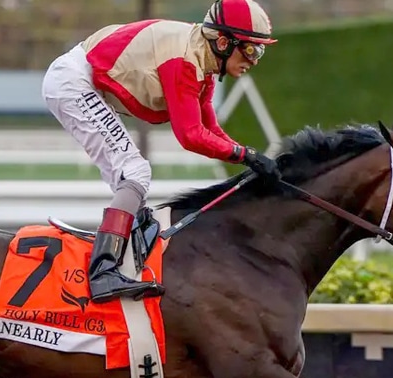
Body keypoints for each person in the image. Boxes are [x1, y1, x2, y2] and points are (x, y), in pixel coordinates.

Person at [42, 0, 282, 304]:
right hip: (73, 83)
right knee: (136, 172)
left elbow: (211, 130)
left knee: (131, 181)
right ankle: (103, 271)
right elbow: (191, 136)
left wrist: (250, 158)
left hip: (80, 79)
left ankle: (123, 257)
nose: (255, 60)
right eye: (251, 49)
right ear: (223, 42)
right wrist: (245, 154)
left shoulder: (202, 60)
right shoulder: (184, 62)